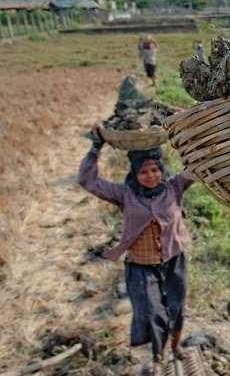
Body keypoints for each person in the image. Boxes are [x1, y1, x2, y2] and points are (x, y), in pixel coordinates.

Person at [78, 126, 193, 376]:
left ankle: (176, 347)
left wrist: (193, 134)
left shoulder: (174, 187)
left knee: (177, 308)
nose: (150, 176)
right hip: (141, 264)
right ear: (134, 173)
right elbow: (88, 181)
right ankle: (158, 355)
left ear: (162, 170)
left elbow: (198, 167)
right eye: (143, 171)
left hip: (174, 259)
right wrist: (96, 148)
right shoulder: (124, 194)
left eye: (155, 170)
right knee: (151, 312)